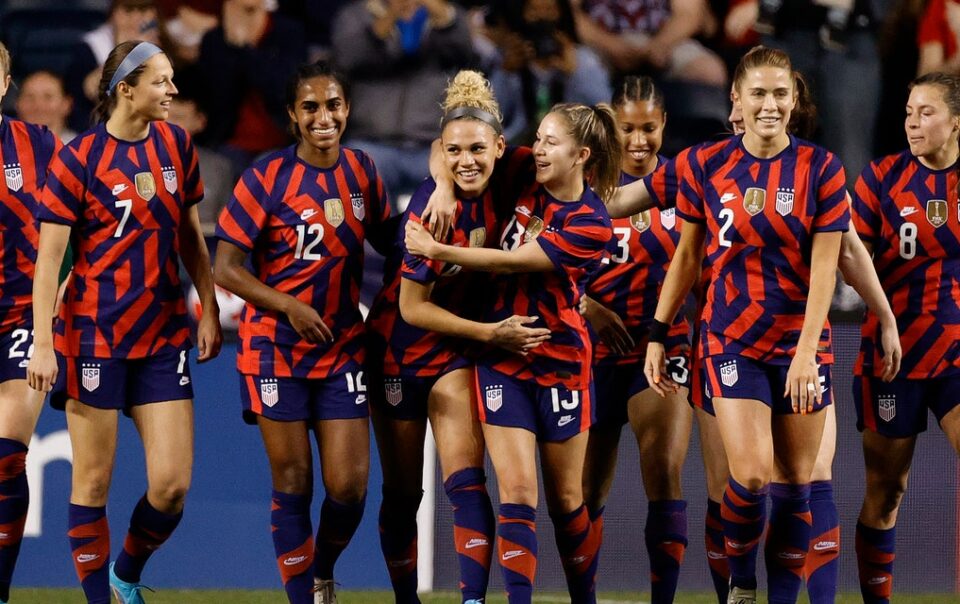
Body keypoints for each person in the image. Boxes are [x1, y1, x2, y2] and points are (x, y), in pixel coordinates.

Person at [643, 45, 848, 604]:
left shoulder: (821, 168)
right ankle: (744, 583)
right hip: (731, 337)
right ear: (736, 98)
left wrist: (807, 353)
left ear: (794, 98)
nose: (769, 105)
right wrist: (659, 333)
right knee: (753, 475)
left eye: (780, 94)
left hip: (801, 342)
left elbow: (826, 271)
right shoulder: (708, 164)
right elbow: (687, 257)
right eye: (758, 93)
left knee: (797, 485)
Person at [27, 40, 222, 604]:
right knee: (92, 481)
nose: (173, 91)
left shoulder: (177, 145)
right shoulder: (78, 158)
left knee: (171, 487)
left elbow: (190, 235)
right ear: (126, 89)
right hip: (94, 336)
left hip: (161, 335)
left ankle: (125, 574)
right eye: (162, 81)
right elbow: (48, 262)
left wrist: (207, 304)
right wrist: (44, 343)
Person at [406, 102, 620, 604]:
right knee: (518, 493)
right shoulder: (524, 169)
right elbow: (449, 146)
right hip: (503, 356)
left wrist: (439, 253)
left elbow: (511, 263)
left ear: (581, 155)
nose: (538, 149)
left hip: (562, 361)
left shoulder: (591, 222)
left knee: (569, 504)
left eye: (551, 142)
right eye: (538, 138)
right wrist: (440, 186)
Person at [366, 69, 551, 604]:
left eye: (476, 148)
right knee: (403, 493)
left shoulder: (514, 168)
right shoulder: (429, 211)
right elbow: (411, 306)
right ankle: (406, 599)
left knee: (465, 478)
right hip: (400, 346)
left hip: (458, 349)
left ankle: (472, 599)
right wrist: (491, 332)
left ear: (499, 145)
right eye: (454, 152)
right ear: (440, 153)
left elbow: (559, 157)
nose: (466, 160)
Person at [213, 61, 387, 604]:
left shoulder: (362, 171)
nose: (323, 117)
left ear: (347, 110)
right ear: (292, 116)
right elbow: (225, 268)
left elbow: (392, 243)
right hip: (273, 350)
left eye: (332, 105)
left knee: (350, 488)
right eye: (310, 107)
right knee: (293, 482)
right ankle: (303, 598)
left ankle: (322, 570)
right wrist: (287, 304)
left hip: (340, 347)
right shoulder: (265, 177)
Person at [576, 76, 693, 603]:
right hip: (587, 351)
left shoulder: (688, 184)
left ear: (664, 123)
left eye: (649, 127)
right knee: (583, 491)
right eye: (628, 128)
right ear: (611, 127)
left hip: (664, 349)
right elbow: (539, 265)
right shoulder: (584, 184)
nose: (640, 140)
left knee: (664, 470)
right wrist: (587, 306)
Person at [851, 71, 960, 604]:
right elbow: (851, 259)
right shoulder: (881, 179)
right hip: (894, 352)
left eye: (926, 113)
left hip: (958, 349)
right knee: (886, 490)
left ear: (956, 122)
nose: (913, 123)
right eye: (909, 113)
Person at [0, 42, 61, 604]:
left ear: (5, 83)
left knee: (5, 458)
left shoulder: (36, 145)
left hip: (18, 318)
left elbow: (75, 220)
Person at [14, 70, 77, 144]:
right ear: (17, 104)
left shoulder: (83, 151)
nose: (38, 106)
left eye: (48, 97)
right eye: (29, 97)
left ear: (66, 104)